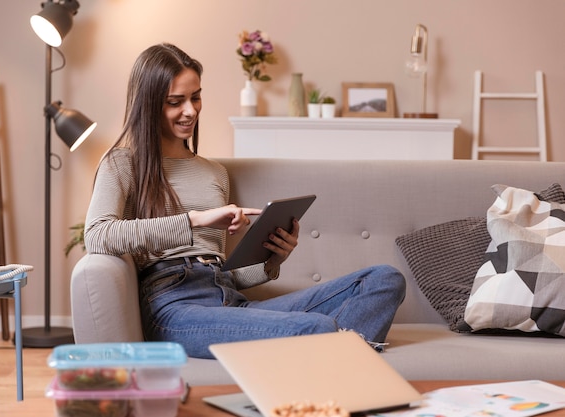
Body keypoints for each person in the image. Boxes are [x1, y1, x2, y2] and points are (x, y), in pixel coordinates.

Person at [84, 43, 406, 359]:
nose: (191, 110)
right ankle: (345, 366)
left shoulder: (214, 173)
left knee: (383, 280)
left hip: (228, 297)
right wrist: (196, 219)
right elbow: (97, 235)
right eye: (175, 101)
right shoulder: (122, 163)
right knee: (314, 328)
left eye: (196, 97)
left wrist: (272, 261)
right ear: (149, 104)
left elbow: (226, 274)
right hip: (174, 307)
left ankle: (334, 366)